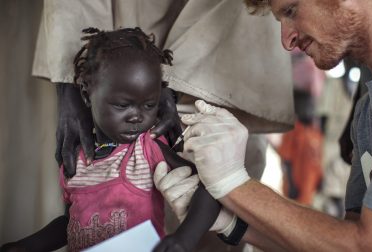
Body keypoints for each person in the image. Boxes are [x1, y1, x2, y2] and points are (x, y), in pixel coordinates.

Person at [155, 0, 372, 251]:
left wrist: (233, 185)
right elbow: (341, 241)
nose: (287, 41)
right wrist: (231, 221)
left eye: (292, 10)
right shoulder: (369, 107)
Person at [0, 27, 236, 252]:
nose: (137, 116)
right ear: (86, 95)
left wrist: (183, 240)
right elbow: (72, 222)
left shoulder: (146, 150)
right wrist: (27, 246)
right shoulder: (76, 158)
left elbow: (209, 189)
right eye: (123, 105)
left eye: (149, 105)